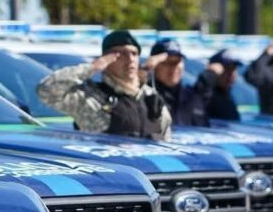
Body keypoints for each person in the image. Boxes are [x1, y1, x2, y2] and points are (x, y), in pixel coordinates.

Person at [36, 29, 172, 140]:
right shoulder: (90, 97)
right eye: (121, 54)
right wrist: (92, 67)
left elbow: (166, 139)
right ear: (107, 59)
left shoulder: (151, 98)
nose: (130, 59)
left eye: (134, 53)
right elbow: (46, 90)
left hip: (150, 171)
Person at [147, 39, 209, 126]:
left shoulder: (194, 97)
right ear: (154, 66)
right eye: (167, 62)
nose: (173, 68)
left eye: (177, 61)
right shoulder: (146, 97)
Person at [195, 49, 243, 121]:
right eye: (227, 69)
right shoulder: (207, 93)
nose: (231, 74)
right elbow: (199, 102)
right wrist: (209, 74)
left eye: (233, 69)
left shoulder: (228, 96)